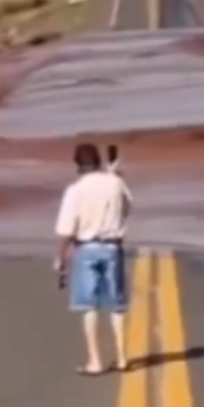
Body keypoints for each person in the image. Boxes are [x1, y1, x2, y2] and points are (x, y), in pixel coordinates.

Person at [54, 143, 133, 376]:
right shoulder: (116, 183)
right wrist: (115, 175)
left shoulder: (75, 190)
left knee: (88, 306)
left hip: (86, 248)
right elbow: (127, 208)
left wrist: (61, 258)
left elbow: (66, 229)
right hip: (112, 247)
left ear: (77, 164)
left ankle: (95, 361)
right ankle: (121, 358)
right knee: (117, 305)